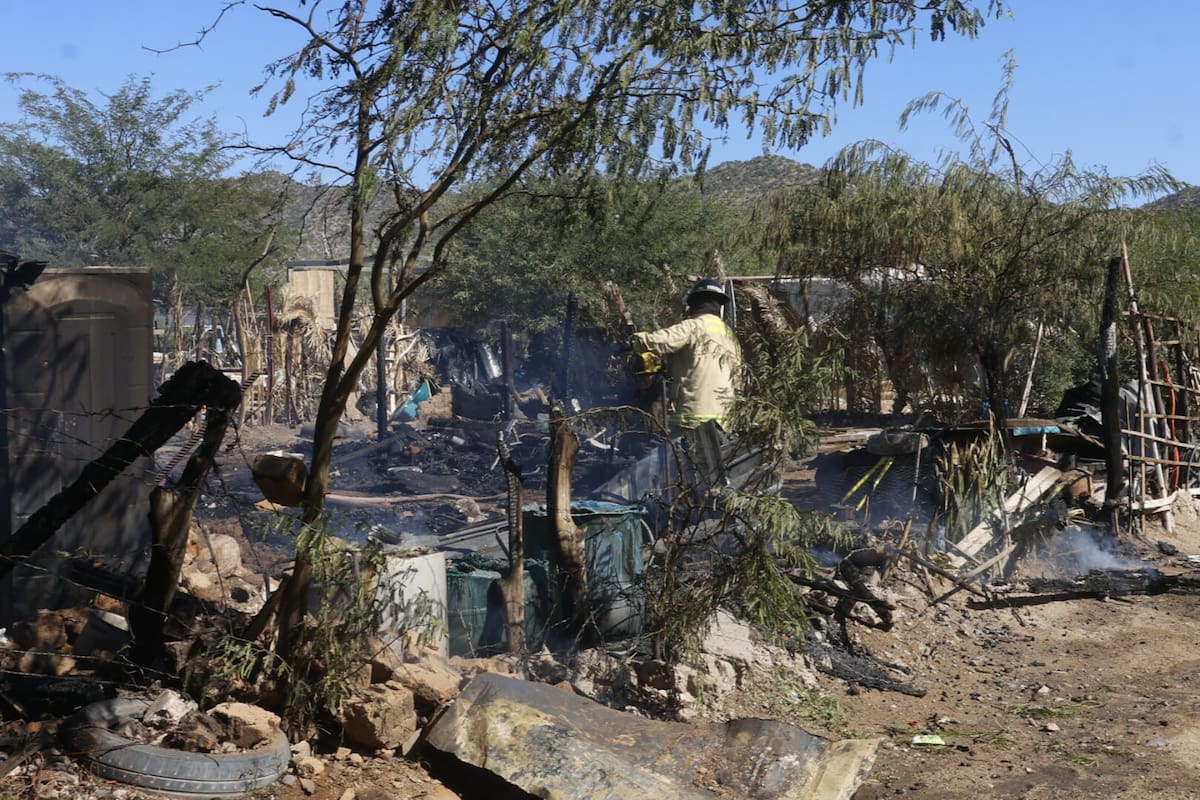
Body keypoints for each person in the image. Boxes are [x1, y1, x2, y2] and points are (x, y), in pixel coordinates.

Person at [630, 278, 741, 433]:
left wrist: (634, 341)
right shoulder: (730, 336)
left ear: (694, 303)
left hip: (693, 415)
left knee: (681, 456)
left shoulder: (692, 326)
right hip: (724, 419)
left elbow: (659, 342)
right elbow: (738, 378)